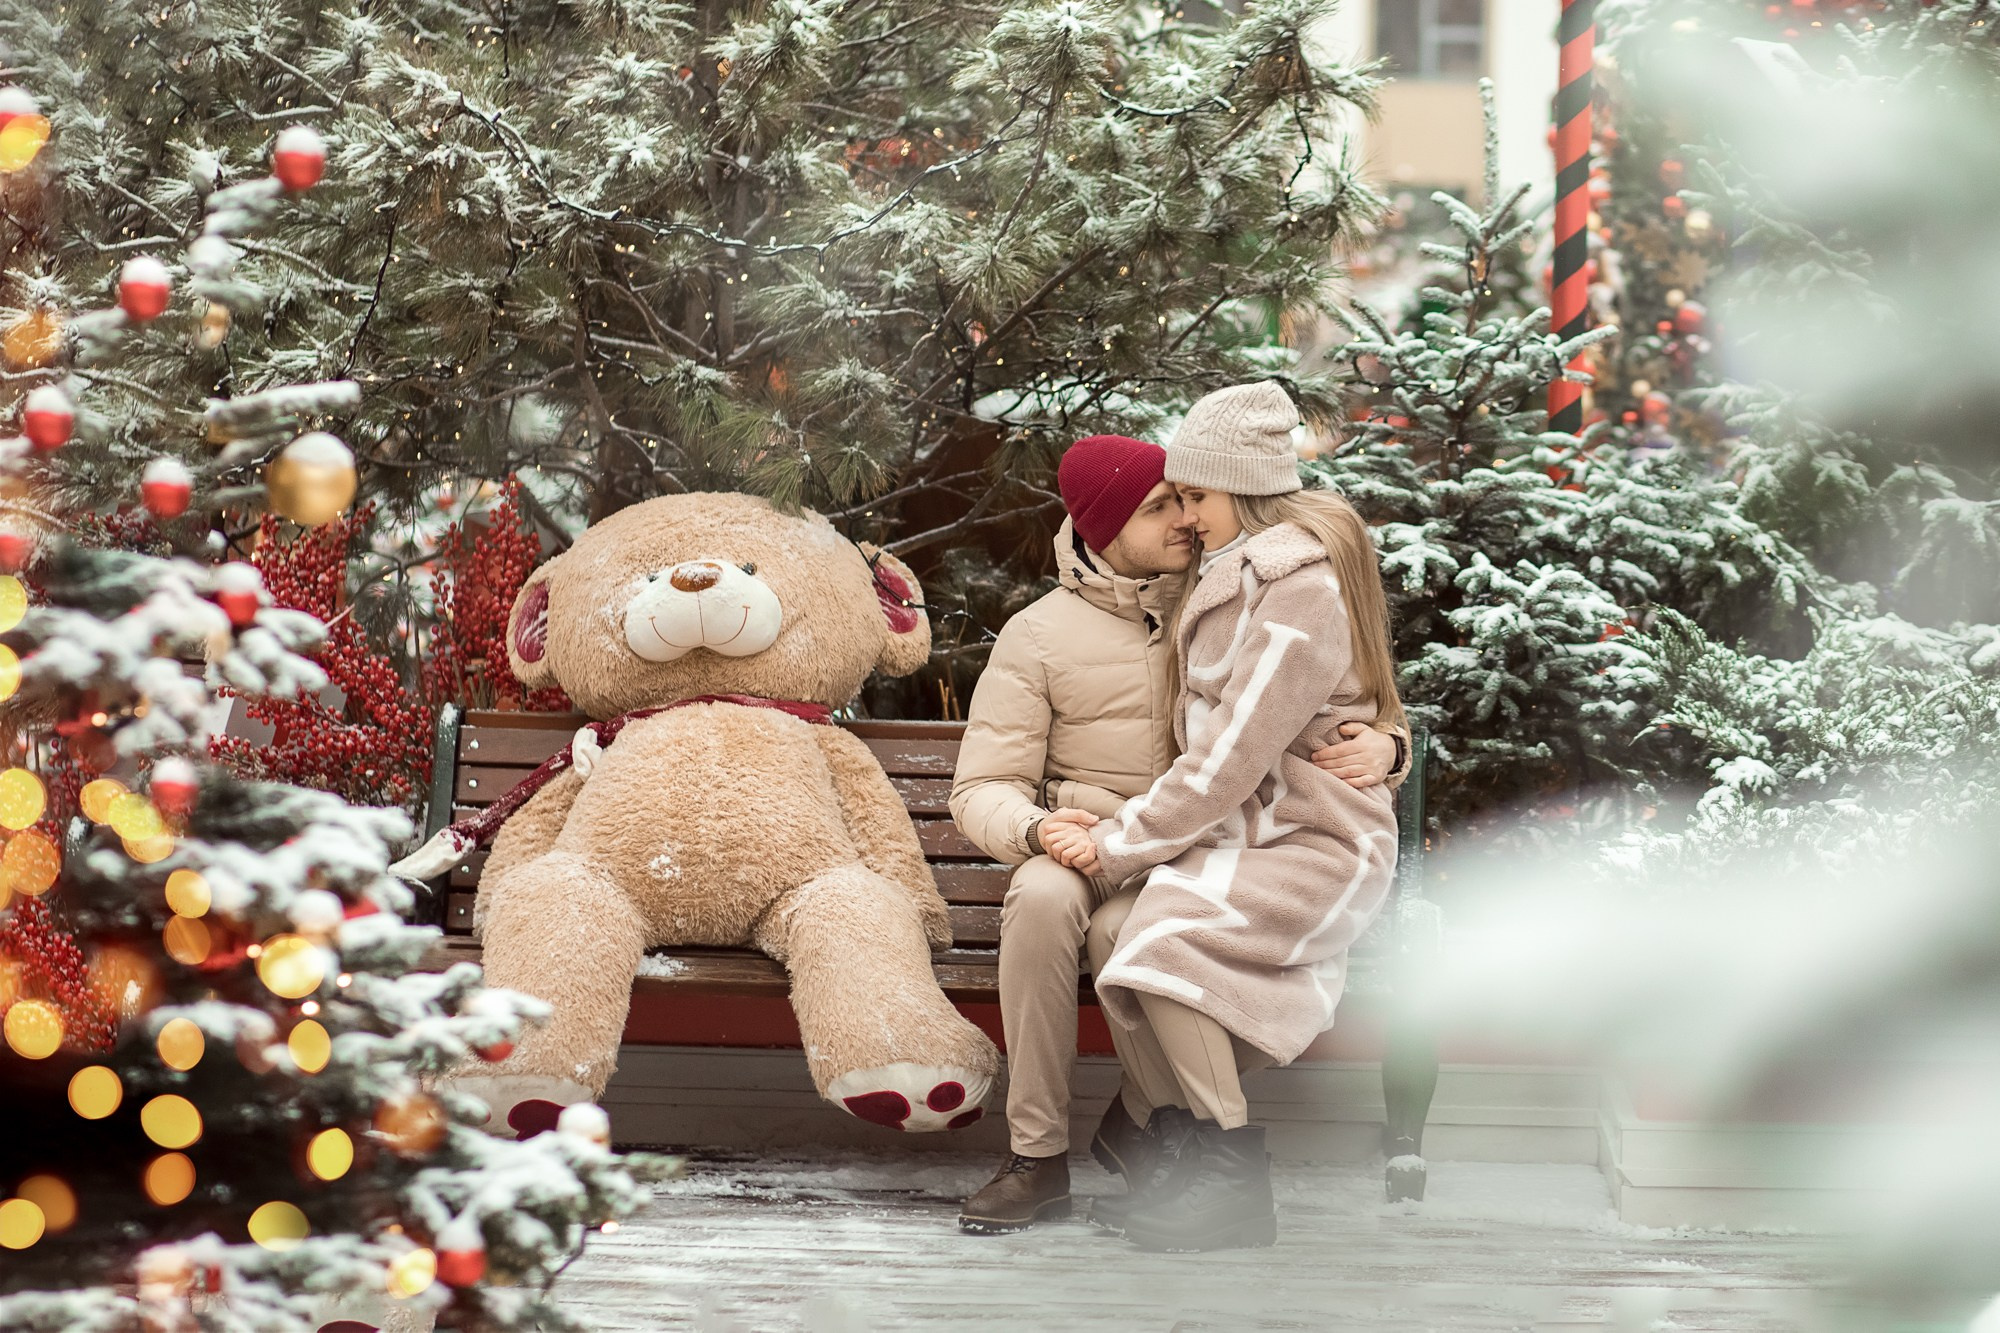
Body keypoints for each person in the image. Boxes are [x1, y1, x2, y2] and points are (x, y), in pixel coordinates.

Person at [949, 432, 1408, 1236]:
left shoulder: (1240, 582)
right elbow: (980, 785)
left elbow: (1330, 698)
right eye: (1159, 507)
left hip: (1207, 839)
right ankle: (1037, 1156)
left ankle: (1160, 1130)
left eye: (1188, 500)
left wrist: (1390, 744)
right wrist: (1033, 824)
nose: (1186, 521)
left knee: (1132, 930)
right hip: (1093, 837)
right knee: (1044, 901)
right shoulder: (1040, 634)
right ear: (1103, 527)